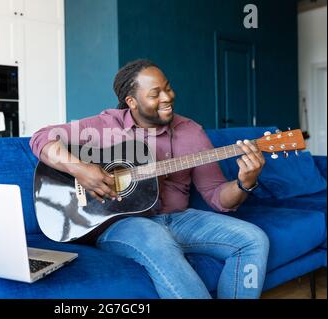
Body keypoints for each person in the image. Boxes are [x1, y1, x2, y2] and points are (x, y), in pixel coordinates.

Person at [29, 59, 269, 299]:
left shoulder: (191, 131)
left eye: (168, 88)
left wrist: (244, 182)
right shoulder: (105, 125)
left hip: (179, 218)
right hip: (121, 223)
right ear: (132, 102)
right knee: (157, 240)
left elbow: (218, 198)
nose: (167, 97)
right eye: (155, 94)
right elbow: (40, 138)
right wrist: (80, 169)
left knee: (253, 239)